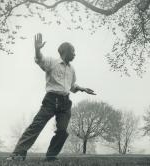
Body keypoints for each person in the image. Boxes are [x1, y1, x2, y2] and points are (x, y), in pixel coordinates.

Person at [7, 33, 96, 161]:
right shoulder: (52, 62)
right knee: (36, 126)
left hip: (65, 103)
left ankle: (51, 157)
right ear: (65, 51)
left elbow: (71, 86)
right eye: (73, 51)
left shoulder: (72, 69)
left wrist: (82, 88)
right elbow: (39, 60)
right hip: (51, 100)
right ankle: (18, 154)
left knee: (62, 131)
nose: (75, 54)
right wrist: (37, 49)